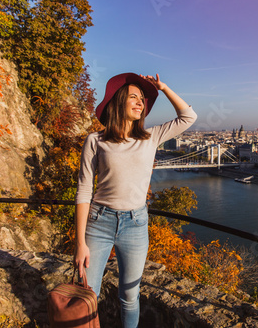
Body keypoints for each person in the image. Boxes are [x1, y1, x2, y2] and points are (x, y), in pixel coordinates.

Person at [73, 72, 197, 327]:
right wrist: (80, 243)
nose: (141, 102)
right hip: (99, 222)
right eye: (134, 97)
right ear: (118, 101)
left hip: (136, 224)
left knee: (129, 295)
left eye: (143, 99)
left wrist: (163, 87)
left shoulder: (151, 138)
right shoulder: (95, 141)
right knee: (89, 294)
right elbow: (84, 191)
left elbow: (189, 117)